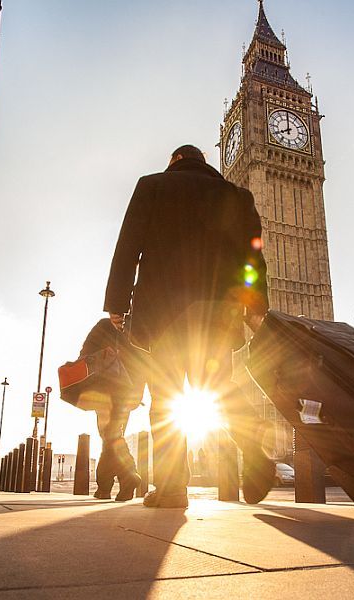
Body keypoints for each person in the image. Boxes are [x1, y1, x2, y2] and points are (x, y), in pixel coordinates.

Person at [104, 144, 273, 509]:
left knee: (165, 397)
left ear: (175, 161)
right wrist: (256, 306)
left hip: (165, 311)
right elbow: (253, 255)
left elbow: (127, 247)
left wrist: (117, 305)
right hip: (218, 310)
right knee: (217, 387)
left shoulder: (152, 186)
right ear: (203, 163)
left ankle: (172, 489)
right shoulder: (237, 196)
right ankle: (255, 446)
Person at [76, 317, 144, 501]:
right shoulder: (139, 326)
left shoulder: (105, 325)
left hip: (106, 389)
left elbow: (85, 353)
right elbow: (145, 361)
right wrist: (139, 392)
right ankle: (108, 486)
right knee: (112, 435)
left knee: (110, 435)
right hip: (128, 392)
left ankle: (126, 477)